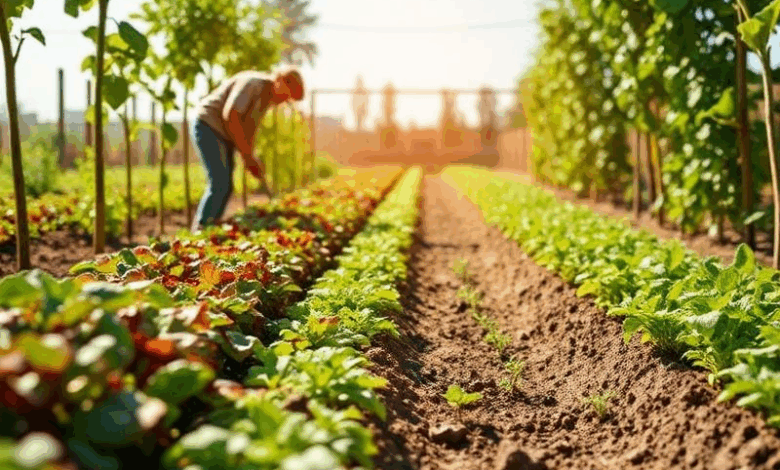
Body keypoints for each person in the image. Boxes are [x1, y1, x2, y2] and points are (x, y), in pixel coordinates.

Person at [191, 69, 305, 230]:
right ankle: (201, 228)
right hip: (208, 124)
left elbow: (250, 128)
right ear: (279, 79)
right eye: (287, 95)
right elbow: (231, 115)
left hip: (224, 132)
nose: (284, 101)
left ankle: (211, 227)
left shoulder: (267, 99)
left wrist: (251, 156)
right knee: (220, 182)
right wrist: (246, 155)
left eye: (289, 99)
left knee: (226, 185)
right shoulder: (252, 84)